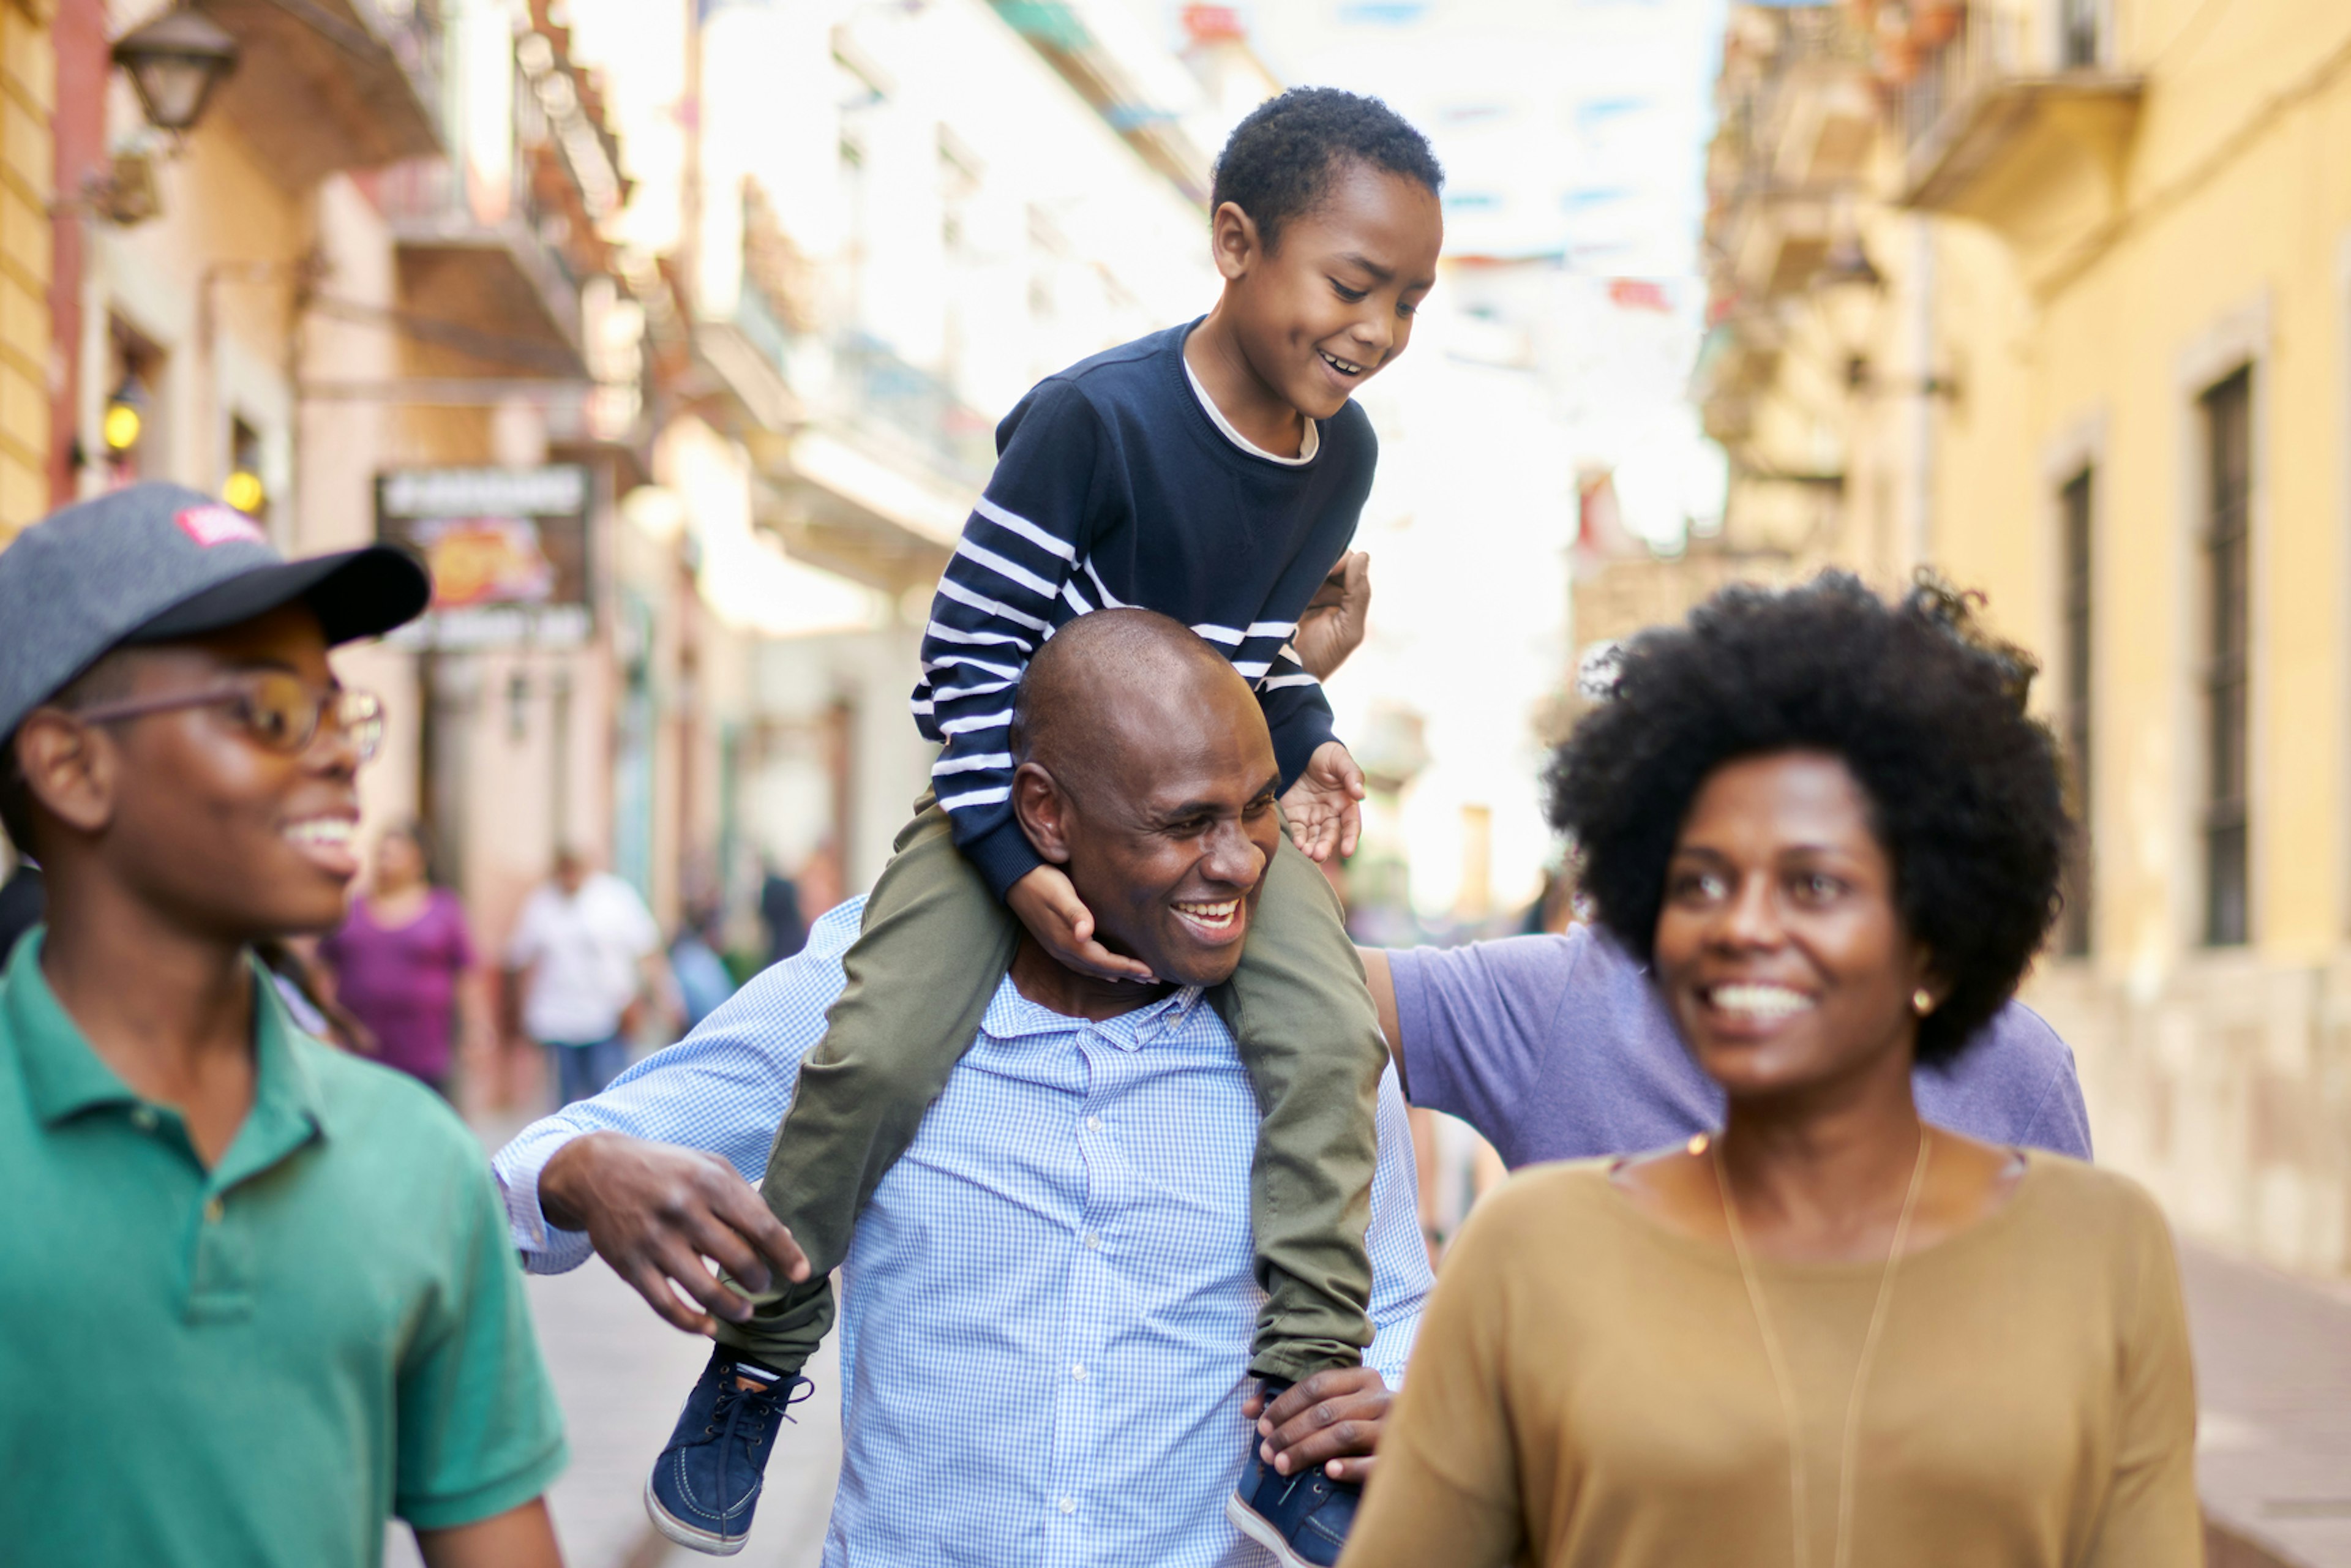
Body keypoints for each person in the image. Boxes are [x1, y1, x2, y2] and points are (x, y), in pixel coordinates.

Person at [650, 86, 1447, 1558]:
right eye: (1352, 284)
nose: (1377, 328)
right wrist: (1013, 860)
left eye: (1409, 299)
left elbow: (1241, 670)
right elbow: (962, 662)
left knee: (1332, 1040)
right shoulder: (1097, 419)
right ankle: (762, 1347)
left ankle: (1295, 1398)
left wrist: (1311, 735)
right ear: (1233, 242)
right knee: (878, 1042)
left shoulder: (1343, 459)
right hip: (1006, 799)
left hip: (1196, 818)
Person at [494, 612, 1431, 1567]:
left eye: (1255, 809)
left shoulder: (1313, 1035)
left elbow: (1399, 1303)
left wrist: (1393, 1400)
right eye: (1186, 823)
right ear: (1046, 814)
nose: (1239, 861)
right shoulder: (865, 993)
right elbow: (519, 1180)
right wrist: (584, 1170)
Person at [1343, 576, 2199, 1568]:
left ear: (1938, 926)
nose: (1743, 925)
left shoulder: (2100, 1249)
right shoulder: (1528, 1252)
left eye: (1815, 883)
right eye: (1700, 880)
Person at [0, 483, 568, 1567]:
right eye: (267, 712)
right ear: (71, 766)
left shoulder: (418, 1161)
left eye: (339, 711)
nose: (339, 755)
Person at [319, 821, 484, 1094]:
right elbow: (323, 971)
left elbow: (467, 974)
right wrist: (328, 1023)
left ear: (418, 861)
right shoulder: (351, 910)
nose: (385, 862)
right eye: (380, 854)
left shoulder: (444, 910)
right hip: (361, 1050)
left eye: (393, 854)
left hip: (423, 1054)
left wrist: (475, 1029)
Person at [504, 846, 673, 1107]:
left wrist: (660, 998)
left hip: (608, 1018)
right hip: (558, 1019)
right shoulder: (542, 903)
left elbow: (646, 950)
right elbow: (520, 958)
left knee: (608, 1096)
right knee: (565, 1100)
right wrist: (519, 1016)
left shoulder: (616, 898)